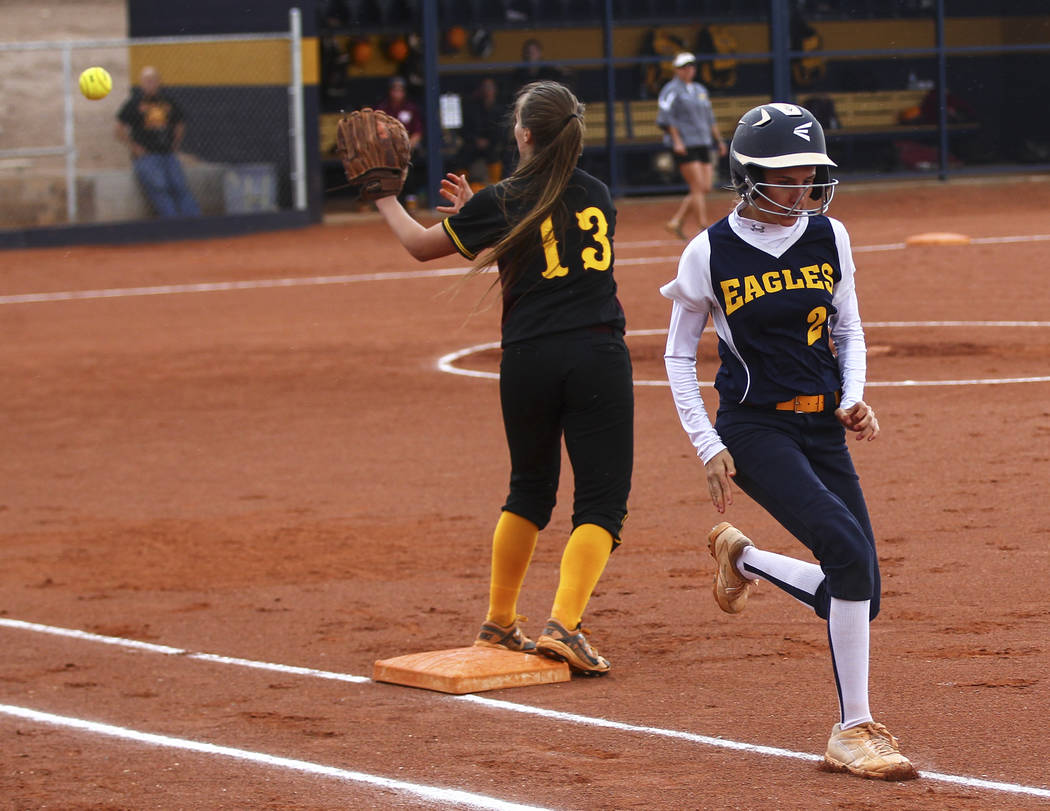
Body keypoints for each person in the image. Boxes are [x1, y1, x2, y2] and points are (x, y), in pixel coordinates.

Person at [661, 103, 918, 780]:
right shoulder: (709, 250)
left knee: (862, 589)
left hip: (821, 425)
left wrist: (854, 395)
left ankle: (742, 560)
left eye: (809, 171)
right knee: (844, 549)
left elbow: (848, 330)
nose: (802, 185)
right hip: (755, 426)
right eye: (786, 174)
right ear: (747, 177)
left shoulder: (830, 236)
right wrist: (706, 442)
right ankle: (853, 728)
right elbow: (678, 356)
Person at [371, 81, 633, 675]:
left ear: (524, 134)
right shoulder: (597, 194)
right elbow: (551, 239)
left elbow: (420, 245)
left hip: (526, 360)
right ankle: (564, 625)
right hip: (594, 356)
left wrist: (385, 197)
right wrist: (479, 212)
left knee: (530, 490)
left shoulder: (504, 198)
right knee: (601, 502)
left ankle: (500, 620)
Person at [656, 52, 727, 241]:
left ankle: (676, 221)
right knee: (697, 186)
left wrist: (718, 140)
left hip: (703, 141)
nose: (689, 70)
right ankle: (703, 227)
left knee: (705, 187)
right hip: (686, 143)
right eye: (684, 67)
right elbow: (666, 116)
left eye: (691, 66)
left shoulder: (699, 90)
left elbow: (709, 118)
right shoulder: (671, 90)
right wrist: (676, 140)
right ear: (677, 70)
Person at [114, 66, 200, 218]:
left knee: (179, 186)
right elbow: (118, 130)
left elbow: (180, 123)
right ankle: (171, 223)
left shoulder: (168, 102)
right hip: (147, 156)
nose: (150, 84)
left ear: (159, 82)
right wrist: (135, 147)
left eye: (153, 80)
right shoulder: (134, 104)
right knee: (159, 187)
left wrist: (175, 143)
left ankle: (194, 223)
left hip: (167, 154)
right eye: (147, 81)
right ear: (141, 83)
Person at [376, 76, 424, 209]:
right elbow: (378, 131)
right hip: (388, 149)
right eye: (394, 90)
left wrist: (407, 146)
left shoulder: (411, 107)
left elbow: (418, 132)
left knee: (409, 168)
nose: (397, 93)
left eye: (400, 90)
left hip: (407, 149)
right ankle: (389, 202)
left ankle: (411, 199)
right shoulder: (382, 108)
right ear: (390, 91)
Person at [458, 77, 509, 187]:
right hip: (474, 144)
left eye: (490, 87)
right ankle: (462, 186)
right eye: (484, 87)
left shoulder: (501, 109)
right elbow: (466, 129)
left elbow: (503, 130)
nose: (487, 90)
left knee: (500, 155)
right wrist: (476, 140)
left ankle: (497, 185)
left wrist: (490, 141)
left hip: (495, 145)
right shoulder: (474, 108)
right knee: (463, 156)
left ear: (495, 90)